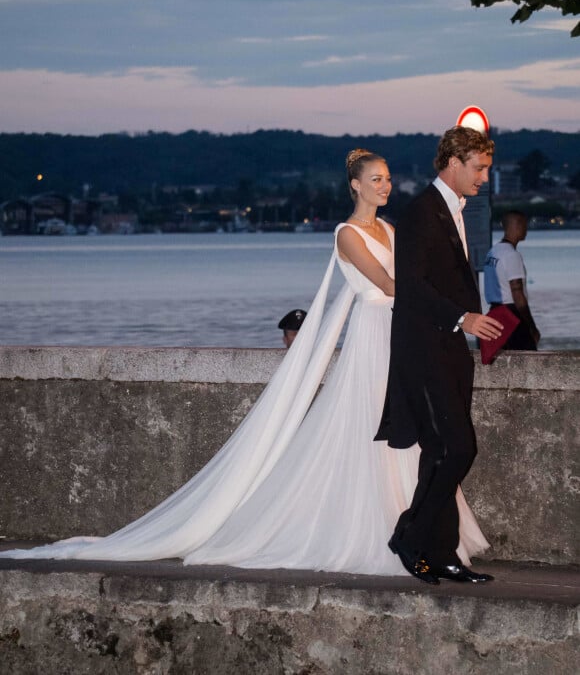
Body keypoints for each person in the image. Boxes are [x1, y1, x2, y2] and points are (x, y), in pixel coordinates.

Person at [1, 149, 488, 577]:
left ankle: (424, 533)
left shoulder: (390, 227)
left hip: (403, 334)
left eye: (387, 178)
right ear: (355, 185)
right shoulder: (348, 235)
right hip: (375, 334)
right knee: (371, 428)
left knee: (415, 432)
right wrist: (443, 307)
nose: (385, 186)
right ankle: (373, 531)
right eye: (376, 178)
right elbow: (388, 285)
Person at [375, 126, 503, 585]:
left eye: (486, 168)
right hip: (424, 349)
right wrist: (463, 318)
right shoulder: (420, 214)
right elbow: (412, 287)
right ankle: (409, 536)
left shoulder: (453, 211)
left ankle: (443, 553)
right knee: (458, 447)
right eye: (479, 168)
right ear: (454, 162)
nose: (484, 177)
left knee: (440, 452)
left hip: (449, 350)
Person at [484, 211, 540, 350]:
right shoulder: (511, 255)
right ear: (518, 225)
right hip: (511, 314)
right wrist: (531, 326)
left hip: (495, 312)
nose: (526, 230)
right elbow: (517, 293)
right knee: (527, 360)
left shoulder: (492, 252)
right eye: (525, 225)